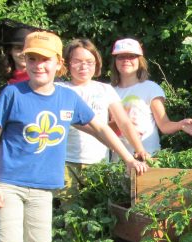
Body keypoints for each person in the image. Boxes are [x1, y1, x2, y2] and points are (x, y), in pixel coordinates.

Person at [0, 31, 148, 242]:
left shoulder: (68, 98)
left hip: (44, 188)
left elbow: (100, 127)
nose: (37, 65)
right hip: (9, 184)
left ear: (58, 64)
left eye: (44, 59)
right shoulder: (12, 94)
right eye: (31, 58)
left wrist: (128, 156)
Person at [58, 38, 149, 196]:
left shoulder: (104, 89)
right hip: (66, 161)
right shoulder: (59, 89)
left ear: (97, 64)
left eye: (89, 62)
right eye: (77, 61)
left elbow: (124, 122)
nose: (83, 66)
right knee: (70, 213)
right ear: (67, 63)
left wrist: (140, 149)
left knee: (99, 210)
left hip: (98, 162)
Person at [110, 38, 192, 156]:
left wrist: (180, 124)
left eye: (131, 56)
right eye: (121, 57)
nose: (126, 60)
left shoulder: (151, 88)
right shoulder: (108, 90)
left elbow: (164, 125)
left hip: (148, 155)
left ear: (140, 60)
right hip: (118, 160)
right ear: (115, 61)